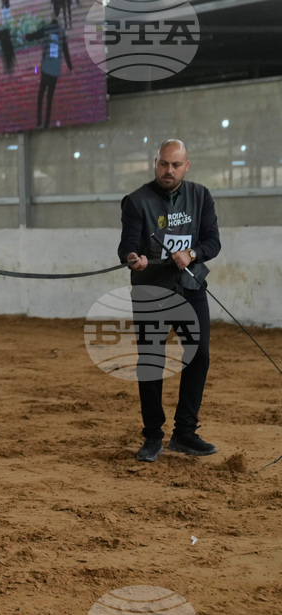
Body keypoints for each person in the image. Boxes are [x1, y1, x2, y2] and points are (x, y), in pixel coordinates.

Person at [118, 139, 222, 462]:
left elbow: (213, 242)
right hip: (152, 292)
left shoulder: (201, 196)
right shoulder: (136, 201)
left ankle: (185, 433)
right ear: (155, 163)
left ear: (186, 166)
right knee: (151, 363)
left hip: (191, 289)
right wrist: (135, 257)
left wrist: (192, 254)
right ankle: (153, 436)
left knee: (199, 355)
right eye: (164, 164)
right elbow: (127, 246)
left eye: (176, 165)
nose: (169, 170)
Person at [26, 8, 73, 129]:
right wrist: (70, 67)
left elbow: (35, 36)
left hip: (46, 67)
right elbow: (66, 51)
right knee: (50, 97)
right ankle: (46, 123)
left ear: (52, 15)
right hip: (55, 69)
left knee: (41, 95)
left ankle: (38, 122)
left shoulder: (47, 28)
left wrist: (25, 37)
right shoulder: (62, 32)